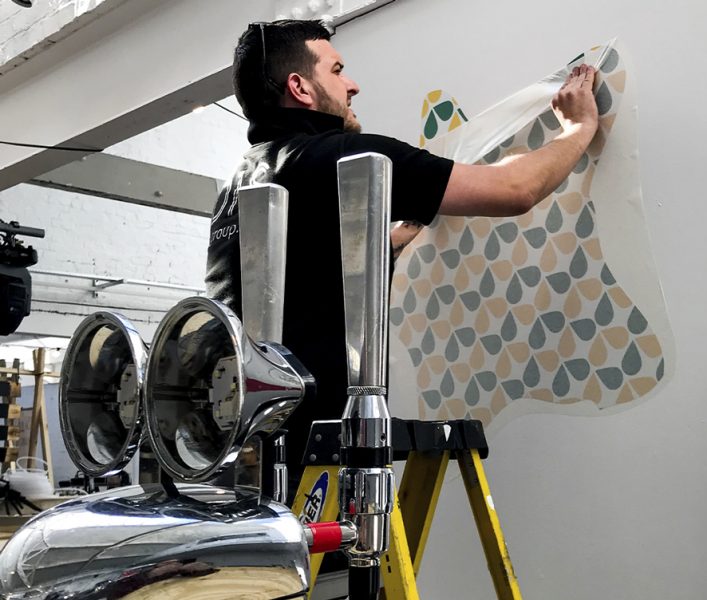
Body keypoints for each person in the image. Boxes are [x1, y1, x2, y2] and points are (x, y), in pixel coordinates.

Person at [205, 19, 598, 494]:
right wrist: (577, 128)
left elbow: (295, 276)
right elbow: (514, 189)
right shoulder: (344, 157)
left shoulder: (238, 183)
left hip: (245, 455)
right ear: (300, 87)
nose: (352, 85)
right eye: (337, 70)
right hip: (321, 458)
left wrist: (389, 242)